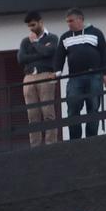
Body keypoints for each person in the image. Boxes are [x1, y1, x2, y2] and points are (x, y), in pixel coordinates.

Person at [53, 8, 106, 140]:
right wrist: (57, 73)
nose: (69, 24)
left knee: (93, 108)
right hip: (74, 78)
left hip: (94, 76)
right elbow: (59, 56)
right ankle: (75, 140)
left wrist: (105, 73)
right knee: (72, 109)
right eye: (67, 22)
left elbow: (104, 53)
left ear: (80, 19)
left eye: (71, 21)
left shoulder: (96, 33)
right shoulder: (65, 37)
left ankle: (91, 139)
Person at [17, 11, 60, 147]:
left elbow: (49, 52)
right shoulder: (25, 41)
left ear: (41, 22)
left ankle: (50, 143)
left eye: (33, 25)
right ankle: (34, 146)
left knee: (48, 111)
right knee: (32, 113)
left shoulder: (52, 38)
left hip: (45, 75)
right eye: (29, 26)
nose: (31, 28)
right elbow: (21, 59)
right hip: (29, 77)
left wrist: (35, 43)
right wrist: (40, 53)